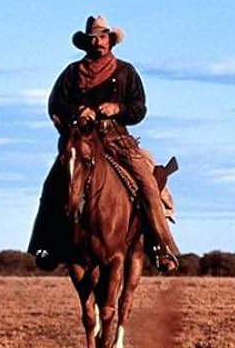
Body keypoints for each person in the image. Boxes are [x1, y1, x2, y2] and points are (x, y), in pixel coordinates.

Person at [28, 15, 180, 273]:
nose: (98, 41)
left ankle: (161, 246)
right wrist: (78, 110)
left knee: (147, 183)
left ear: (111, 40)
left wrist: (117, 108)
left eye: (102, 36)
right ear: (86, 43)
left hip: (116, 139)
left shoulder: (125, 71)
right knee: (53, 183)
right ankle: (46, 245)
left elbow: (139, 108)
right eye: (93, 38)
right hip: (82, 138)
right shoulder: (72, 73)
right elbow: (55, 105)